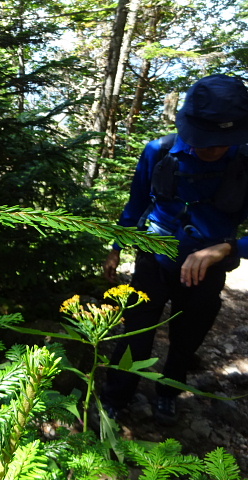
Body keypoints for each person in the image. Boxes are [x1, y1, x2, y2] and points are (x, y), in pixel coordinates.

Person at [101, 74, 248, 426]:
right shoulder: (159, 151)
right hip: (153, 257)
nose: (208, 148)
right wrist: (117, 246)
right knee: (137, 330)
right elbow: (136, 203)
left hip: (207, 269)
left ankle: (167, 394)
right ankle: (116, 397)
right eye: (202, 139)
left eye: (218, 141)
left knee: (187, 338)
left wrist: (227, 247)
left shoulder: (245, 163)